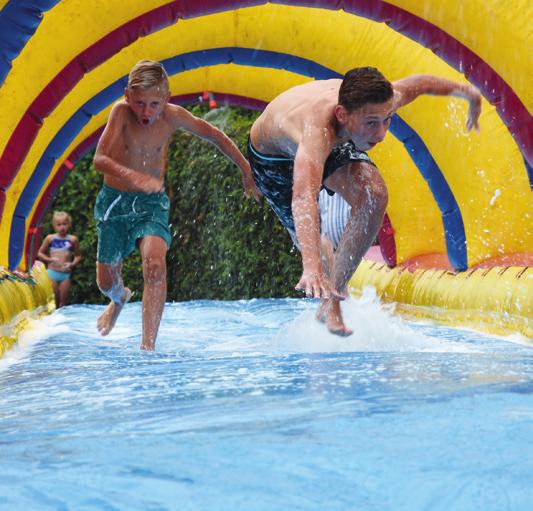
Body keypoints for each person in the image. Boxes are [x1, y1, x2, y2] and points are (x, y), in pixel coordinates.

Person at [248, 67, 481, 336]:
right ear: (342, 114)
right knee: (310, 238)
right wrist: (311, 266)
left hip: (336, 136)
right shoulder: (318, 129)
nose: (381, 133)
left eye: (388, 120)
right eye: (372, 123)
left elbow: (420, 81)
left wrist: (469, 94)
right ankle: (324, 282)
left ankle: (332, 300)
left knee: (374, 194)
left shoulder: (378, 101)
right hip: (272, 157)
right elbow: (303, 197)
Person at [93, 59, 260, 351]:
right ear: (127, 95)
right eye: (140, 102)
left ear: (166, 99)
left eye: (154, 104)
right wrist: (134, 177)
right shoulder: (120, 113)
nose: (147, 112)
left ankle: (148, 348)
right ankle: (119, 299)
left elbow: (215, 135)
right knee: (106, 281)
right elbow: (100, 159)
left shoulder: (173, 116)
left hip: (152, 203)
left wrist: (246, 169)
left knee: (155, 265)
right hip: (116, 202)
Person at [37, 211, 82, 307]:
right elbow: (40, 253)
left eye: (64, 224)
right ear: (54, 225)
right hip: (52, 273)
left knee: (64, 302)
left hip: (65, 274)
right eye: (59, 224)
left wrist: (72, 264)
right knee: (55, 300)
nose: (62, 227)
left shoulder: (73, 239)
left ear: (69, 224)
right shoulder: (50, 238)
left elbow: (78, 256)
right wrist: (49, 260)